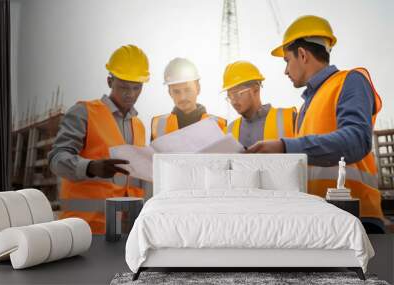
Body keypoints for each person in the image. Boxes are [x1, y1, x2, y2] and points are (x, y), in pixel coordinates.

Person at [246, 15, 384, 233]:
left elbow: (357, 140)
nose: (285, 71)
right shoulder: (306, 106)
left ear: (302, 54)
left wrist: (285, 147)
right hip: (320, 218)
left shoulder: (350, 81)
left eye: (286, 61)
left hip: (357, 217)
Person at [48, 44, 150, 234]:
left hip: (125, 231)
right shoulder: (84, 112)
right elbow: (56, 159)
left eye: (137, 88)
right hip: (83, 229)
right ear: (110, 81)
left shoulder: (139, 126)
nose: (131, 94)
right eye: (124, 87)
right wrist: (91, 167)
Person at [223, 60, 296, 148]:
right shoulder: (229, 131)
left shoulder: (289, 118)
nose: (233, 101)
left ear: (256, 88)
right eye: (230, 96)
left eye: (237, 94)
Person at [151, 58, 226, 140]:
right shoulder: (158, 124)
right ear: (170, 93)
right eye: (176, 91)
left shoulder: (219, 124)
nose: (183, 97)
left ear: (198, 88)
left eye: (187, 90)